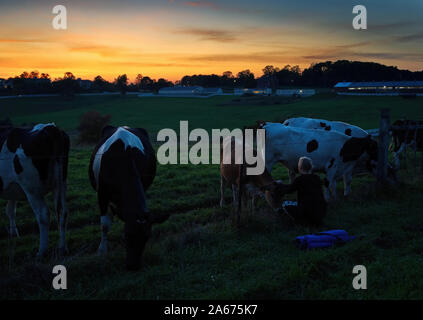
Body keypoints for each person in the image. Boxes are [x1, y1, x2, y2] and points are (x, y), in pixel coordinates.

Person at [280, 157, 327, 226]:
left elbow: (288, 190)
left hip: (306, 212)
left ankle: (301, 221)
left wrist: (279, 184)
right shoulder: (317, 178)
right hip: (321, 211)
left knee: (285, 204)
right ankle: (315, 220)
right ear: (311, 167)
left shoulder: (299, 179)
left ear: (299, 168)